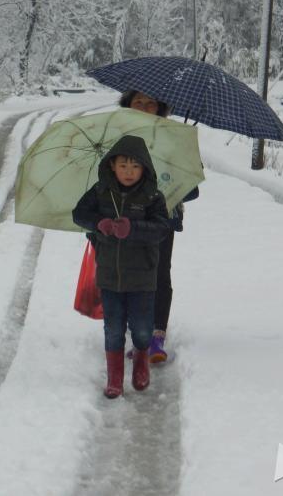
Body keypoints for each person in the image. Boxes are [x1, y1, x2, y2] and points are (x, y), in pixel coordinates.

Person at [72, 135, 172, 398]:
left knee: (141, 328)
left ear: (145, 169)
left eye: (135, 166)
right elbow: (79, 214)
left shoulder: (152, 197)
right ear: (112, 166)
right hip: (110, 275)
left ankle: (141, 360)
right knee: (113, 328)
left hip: (142, 277)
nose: (129, 172)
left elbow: (162, 228)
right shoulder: (100, 192)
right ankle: (115, 377)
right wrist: (99, 223)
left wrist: (133, 228)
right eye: (123, 165)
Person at [119, 90, 200, 363]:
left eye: (150, 103)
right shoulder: (117, 136)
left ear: (160, 108)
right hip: (125, 217)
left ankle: (156, 336)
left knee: (159, 273)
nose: (144, 107)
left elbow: (192, 189)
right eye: (137, 102)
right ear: (128, 105)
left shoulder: (173, 137)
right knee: (129, 274)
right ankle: (137, 332)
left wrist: (185, 161)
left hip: (162, 217)